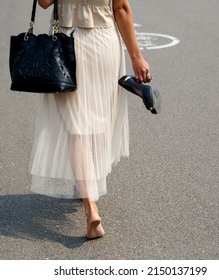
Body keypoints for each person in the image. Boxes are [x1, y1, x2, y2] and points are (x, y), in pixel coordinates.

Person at [31, 0, 152, 239]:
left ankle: (91, 209)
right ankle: (87, 182)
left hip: (67, 44)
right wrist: (137, 57)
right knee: (98, 118)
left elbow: (44, 2)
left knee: (77, 128)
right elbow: (121, 9)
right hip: (104, 44)